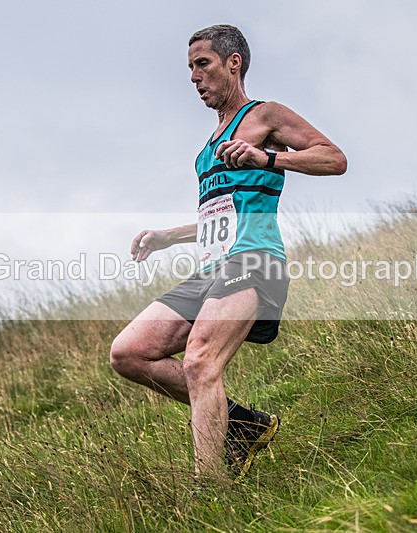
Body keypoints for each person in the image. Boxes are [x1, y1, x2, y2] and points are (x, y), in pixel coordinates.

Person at [110, 24, 346, 483]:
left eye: (203, 64)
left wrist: (271, 159)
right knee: (129, 352)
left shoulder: (265, 115)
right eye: (190, 68)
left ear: (233, 63)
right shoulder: (209, 146)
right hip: (213, 268)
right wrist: (166, 237)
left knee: (200, 361)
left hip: (255, 261)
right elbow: (221, 219)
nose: (194, 78)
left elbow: (334, 158)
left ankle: (211, 491)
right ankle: (241, 423)